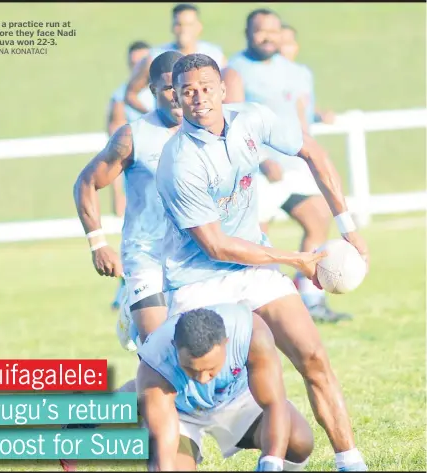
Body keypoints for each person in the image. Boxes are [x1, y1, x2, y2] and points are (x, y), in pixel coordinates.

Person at [156, 53, 369, 472]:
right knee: (186, 393)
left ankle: (350, 461)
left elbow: (312, 152)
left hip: (254, 269)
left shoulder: (253, 118)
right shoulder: (178, 161)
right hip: (199, 280)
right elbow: (216, 246)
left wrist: (347, 225)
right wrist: (296, 259)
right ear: (178, 99)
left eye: (204, 88)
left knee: (313, 357)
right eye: (187, 92)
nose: (198, 98)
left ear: (221, 89)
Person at [222, 9, 350, 322]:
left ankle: (312, 300)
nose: (267, 36)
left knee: (317, 219)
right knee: (256, 236)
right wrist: (263, 159)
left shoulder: (297, 72)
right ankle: (265, 306)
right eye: (260, 31)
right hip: (258, 170)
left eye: (273, 31)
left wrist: (318, 119)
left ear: (282, 34)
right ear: (248, 33)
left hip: (295, 166)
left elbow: (298, 116)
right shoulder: (235, 70)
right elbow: (232, 119)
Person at [74, 51, 184, 349]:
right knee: (159, 352)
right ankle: (134, 306)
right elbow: (86, 182)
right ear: (152, 91)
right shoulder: (133, 136)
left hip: (194, 255)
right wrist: (98, 244)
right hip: (146, 254)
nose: (177, 96)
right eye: (168, 89)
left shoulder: (210, 131)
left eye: (183, 87)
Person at [137, 305, 314, 471]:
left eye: (210, 369)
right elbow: (164, 450)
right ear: (175, 348)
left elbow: (274, 404)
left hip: (237, 397)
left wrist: (271, 463)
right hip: (182, 411)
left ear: (226, 343)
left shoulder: (252, 334)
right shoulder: (154, 364)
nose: (203, 379)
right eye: (191, 369)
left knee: (297, 440)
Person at [107, 40, 155, 311]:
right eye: (134, 61)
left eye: (143, 60)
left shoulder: (168, 91)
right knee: (136, 233)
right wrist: (116, 193)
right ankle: (126, 289)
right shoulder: (120, 96)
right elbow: (112, 146)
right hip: (136, 176)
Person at [125, 3, 225, 114]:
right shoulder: (156, 56)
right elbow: (130, 94)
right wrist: (154, 117)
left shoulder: (214, 54)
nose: (184, 30)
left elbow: (225, 92)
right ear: (172, 27)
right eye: (179, 24)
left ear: (199, 27)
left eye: (189, 24)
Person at [279, 24, 336, 126]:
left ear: (296, 47)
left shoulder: (303, 73)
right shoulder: (264, 74)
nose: (283, 48)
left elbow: (309, 105)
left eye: (288, 43)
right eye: (280, 43)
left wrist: (321, 115)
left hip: (303, 135)